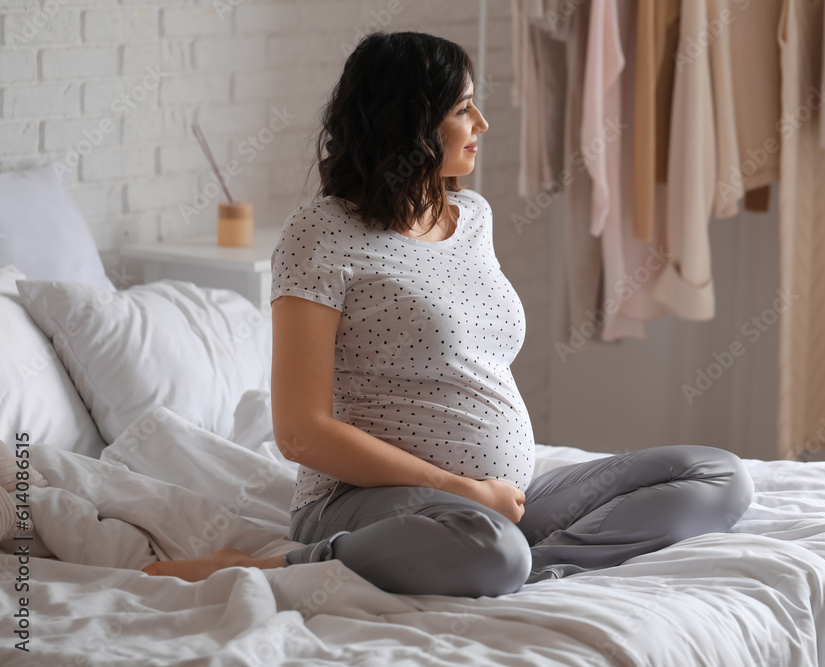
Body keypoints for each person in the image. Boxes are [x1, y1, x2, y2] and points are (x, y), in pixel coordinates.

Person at [143, 31, 754, 596]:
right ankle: (275, 569)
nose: (481, 123)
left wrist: (488, 498)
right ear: (409, 124)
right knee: (491, 547)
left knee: (716, 476)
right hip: (366, 500)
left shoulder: (473, 217)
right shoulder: (319, 235)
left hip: (501, 500)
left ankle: (513, 561)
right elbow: (300, 431)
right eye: (463, 109)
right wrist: (462, 491)